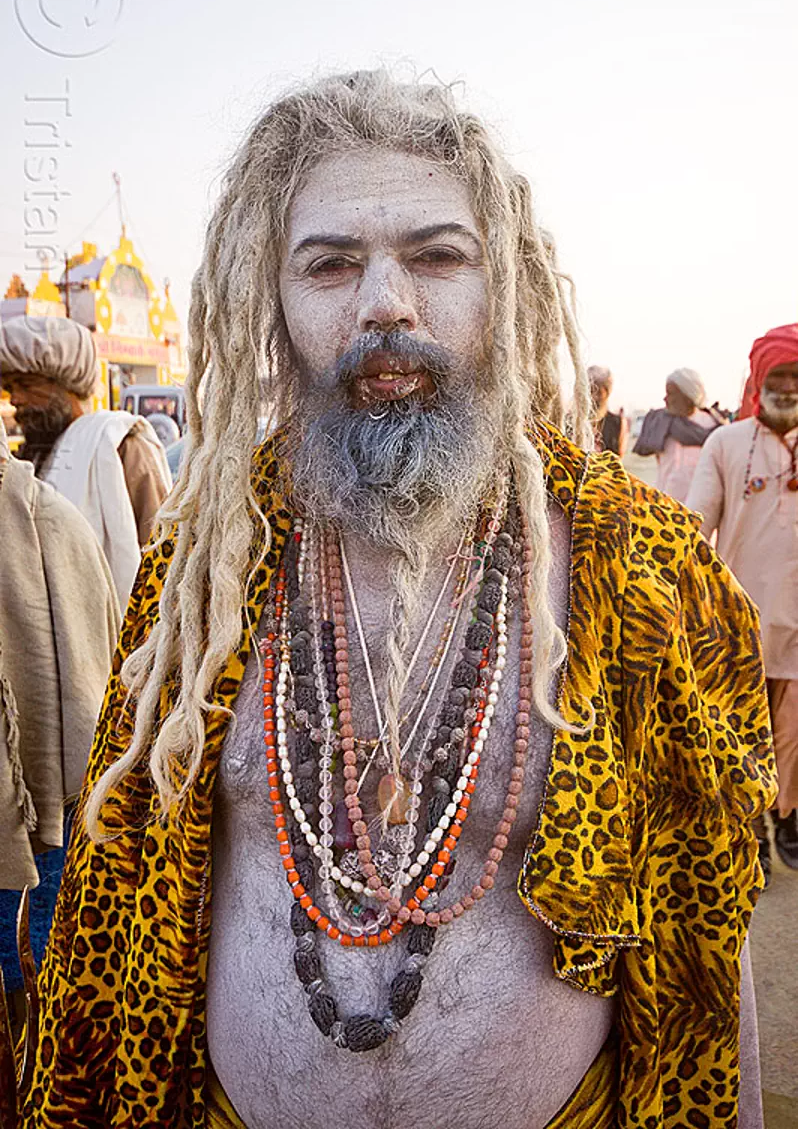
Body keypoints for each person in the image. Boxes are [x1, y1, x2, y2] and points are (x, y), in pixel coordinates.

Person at [19, 72, 774, 1129]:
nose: (386, 302)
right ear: (270, 301)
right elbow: (114, 928)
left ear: (500, 283)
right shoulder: (201, 570)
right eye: (329, 264)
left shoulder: (638, 565)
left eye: (437, 255)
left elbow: (709, 927)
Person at [0, 418, 119, 1025]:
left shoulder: (54, 524)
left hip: (45, 827)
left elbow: (94, 686)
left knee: (39, 1001)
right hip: (39, 823)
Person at [688, 323, 798, 883]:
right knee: (743, 733)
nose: (789, 387)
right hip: (741, 624)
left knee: (796, 732)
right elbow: (692, 526)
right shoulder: (727, 444)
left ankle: (789, 817)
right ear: (759, 379)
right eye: (779, 377)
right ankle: (752, 825)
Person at [0, 316, 172, 606]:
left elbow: (163, 556)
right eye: (9, 388)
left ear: (66, 383)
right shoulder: (36, 457)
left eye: (26, 385)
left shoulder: (122, 445)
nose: (15, 399)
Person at [633, 367, 724, 501]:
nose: (665, 399)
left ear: (688, 396)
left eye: (670, 393)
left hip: (698, 506)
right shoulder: (661, 423)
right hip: (663, 503)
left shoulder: (711, 426)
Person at [587, 365, 628, 455]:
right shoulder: (572, 421)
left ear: (607, 392)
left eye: (598, 392)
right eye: (591, 391)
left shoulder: (618, 423)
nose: (594, 397)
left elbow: (619, 456)